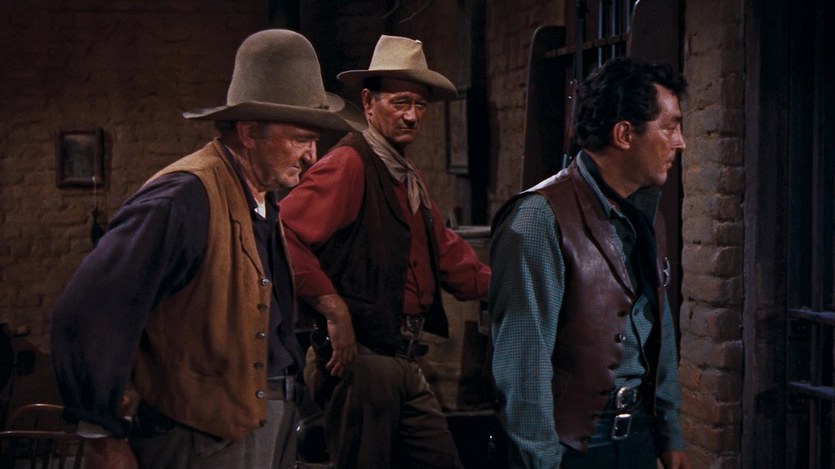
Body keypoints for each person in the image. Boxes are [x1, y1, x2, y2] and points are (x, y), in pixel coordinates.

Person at [50, 29, 363, 469]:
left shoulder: (261, 198)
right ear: (249, 131)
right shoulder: (181, 200)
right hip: (200, 438)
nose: (312, 156)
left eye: (314, 141)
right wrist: (102, 435)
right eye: (300, 139)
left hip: (265, 423)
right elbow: (86, 312)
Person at [279, 35, 490, 469]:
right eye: (400, 103)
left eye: (420, 105)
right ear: (368, 103)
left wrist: (515, 282)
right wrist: (333, 308)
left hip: (403, 357)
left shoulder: (406, 175)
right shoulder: (350, 163)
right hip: (362, 360)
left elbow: (446, 255)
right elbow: (283, 233)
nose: (412, 115)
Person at [489, 56, 692, 469]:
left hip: (637, 437)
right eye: (670, 127)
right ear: (624, 134)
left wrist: (670, 432)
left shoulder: (647, 215)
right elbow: (523, 367)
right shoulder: (539, 218)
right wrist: (541, 462)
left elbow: (660, 329)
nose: (680, 142)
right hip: (570, 448)